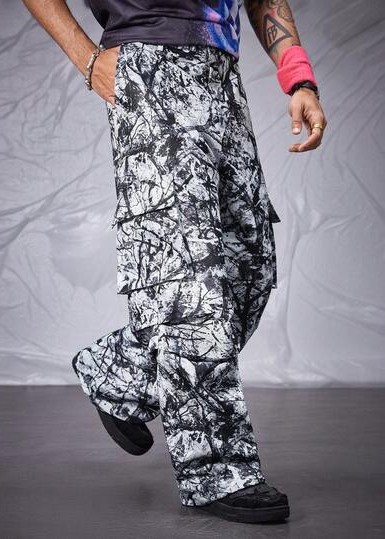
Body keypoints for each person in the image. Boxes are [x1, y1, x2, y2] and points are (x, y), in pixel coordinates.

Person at [22, 0, 327, 524]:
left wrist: (298, 78)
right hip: (150, 66)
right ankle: (217, 470)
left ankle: (120, 374)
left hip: (221, 74)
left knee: (249, 264)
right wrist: (89, 61)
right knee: (190, 286)